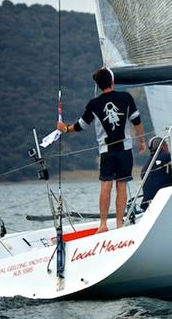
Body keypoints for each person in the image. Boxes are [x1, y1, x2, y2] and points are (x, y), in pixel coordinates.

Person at [58, 67, 146, 232]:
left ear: (98, 86)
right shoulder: (126, 97)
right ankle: (120, 224)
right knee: (121, 186)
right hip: (125, 150)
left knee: (106, 185)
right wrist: (142, 141)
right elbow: (137, 121)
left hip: (106, 151)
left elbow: (80, 126)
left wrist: (64, 128)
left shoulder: (94, 104)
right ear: (112, 82)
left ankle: (103, 224)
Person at [140, 137, 172, 210]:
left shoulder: (145, 167)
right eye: (167, 145)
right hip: (166, 201)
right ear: (163, 147)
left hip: (149, 205)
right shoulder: (168, 157)